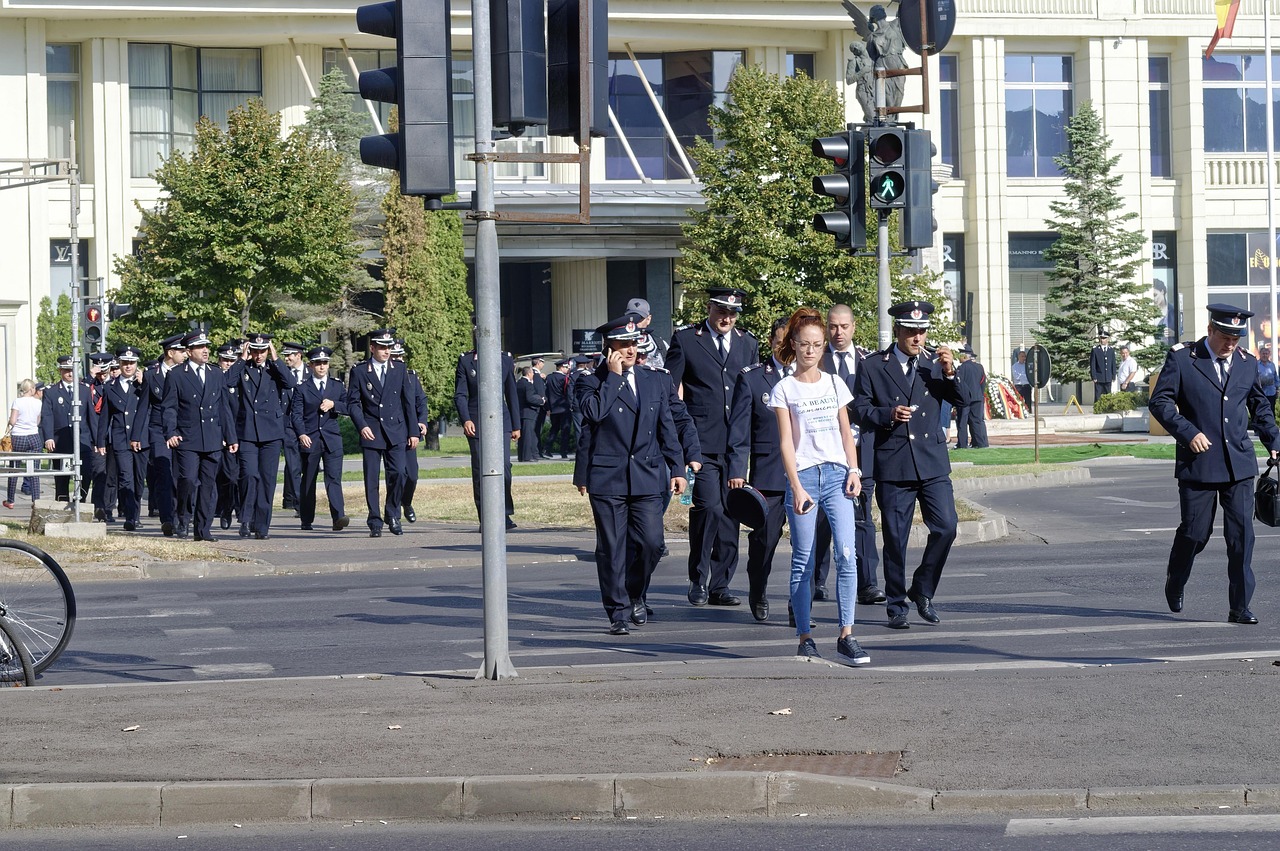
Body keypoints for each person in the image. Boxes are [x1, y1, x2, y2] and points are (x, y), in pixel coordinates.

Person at [1149, 303, 1280, 625]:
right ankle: (1176, 578)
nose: (1230, 343)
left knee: (1241, 538)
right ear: (1210, 330)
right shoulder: (1183, 359)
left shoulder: (1247, 364)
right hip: (1199, 464)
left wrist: (1274, 441)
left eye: (1236, 337)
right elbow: (1160, 401)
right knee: (1195, 533)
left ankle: (1240, 606)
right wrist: (1187, 432)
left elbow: (1259, 406)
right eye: (1225, 336)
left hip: (1239, 465)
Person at [853, 301, 971, 630]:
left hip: (932, 463)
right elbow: (859, 408)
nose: (917, 337)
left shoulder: (935, 363)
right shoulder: (875, 365)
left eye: (922, 331)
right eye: (911, 332)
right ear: (898, 331)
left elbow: (964, 401)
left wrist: (951, 372)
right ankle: (895, 605)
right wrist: (886, 415)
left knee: (947, 527)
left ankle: (922, 588)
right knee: (895, 538)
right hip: (894, 464)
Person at [769, 307, 869, 665]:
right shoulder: (784, 389)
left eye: (817, 345)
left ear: (823, 346)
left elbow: (846, 432)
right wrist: (795, 486)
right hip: (806, 478)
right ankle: (805, 636)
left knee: (845, 554)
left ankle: (847, 634)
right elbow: (785, 442)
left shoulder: (834, 384)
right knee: (804, 559)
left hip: (838, 477)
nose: (810, 351)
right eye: (804, 344)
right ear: (793, 345)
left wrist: (854, 470)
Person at [576, 315, 685, 636]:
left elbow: (667, 425)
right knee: (612, 548)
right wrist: (612, 378)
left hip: (648, 475)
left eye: (632, 343)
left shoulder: (654, 380)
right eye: (622, 345)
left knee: (651, 544)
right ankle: (618, 611)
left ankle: (636, 592)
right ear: (608, 348)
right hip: (608, 478)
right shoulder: (590, 380)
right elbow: (594, 412)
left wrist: (677, 467)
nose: (628, 350)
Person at [666, 286, 759, 607]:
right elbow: (669, 392)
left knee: (732, 512)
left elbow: (752, 395)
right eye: (721, 311)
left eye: (733, 313)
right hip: (701, 444)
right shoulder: (687, 340)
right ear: (709, 308)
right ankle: (698, 577)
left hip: (736, 445)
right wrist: (682, 438)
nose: (727, 318)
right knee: (708, 509)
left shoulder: (748, 344)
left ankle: (721, 584)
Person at [814, 304, 882, 607]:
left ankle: (868, 583)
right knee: (821, 520)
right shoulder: (815, 359)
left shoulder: (869, 361)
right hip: (825, 452)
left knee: (862, 517)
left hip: (861, 451)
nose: (838, 333)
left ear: (854, 327)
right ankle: (816, 580)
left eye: (844, 326)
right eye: (833, 326)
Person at [728, 317, 790, 623]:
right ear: (770, 342)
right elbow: (739, 430)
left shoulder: (812, 376)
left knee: (810, 544)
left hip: (806, 475)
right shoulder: (752, 378)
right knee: (765, 541)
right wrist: (738, 469)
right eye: (780, 341)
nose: (786, 347)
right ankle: (758, 588)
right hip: (769, 474)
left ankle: (799, 605)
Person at [161, 330, 238, 541]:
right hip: (187, 437)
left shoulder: (216, 374)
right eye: (199, 347)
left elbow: (224, 408)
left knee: (208, 484)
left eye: (206, 347)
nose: (205, 351)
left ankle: (203, 529)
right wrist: (171, 432)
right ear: (188, 351)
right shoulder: (177, 374)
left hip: (212, 438)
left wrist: (231, 438)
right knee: (187, 480)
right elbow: (169, 407)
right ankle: (184, 518)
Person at [348, 328, 419, 537]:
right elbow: (352, 403)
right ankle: (375, 520)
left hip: (396, 430)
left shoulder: (399, 368)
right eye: (381, 347)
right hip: (372, 431)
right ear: (372, 348)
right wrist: (362, 425)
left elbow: (408, 402)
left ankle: (393, 513)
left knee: (398, 473)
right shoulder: (360, 371)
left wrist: (413, 432)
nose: (386, 351)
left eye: (388, 347)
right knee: (371, 479)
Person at [225, 334, 294, 540]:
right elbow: (227, 381)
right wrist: (241, 359)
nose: (258, 355)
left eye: (262, 351)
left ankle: (262, 525)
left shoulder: (274, 368)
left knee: (267, 480)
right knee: (248, 475)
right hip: (247, 432)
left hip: (271, 433)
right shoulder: (243, 368)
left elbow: (290, 383)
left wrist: (276, 358)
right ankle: (246, 519)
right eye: (255, 351)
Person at [453, 334, 521, 530]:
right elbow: (460, 395)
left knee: (505, 467)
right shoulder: (466, 361)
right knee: (480, 469)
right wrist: (466, 419)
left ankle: (505, 513)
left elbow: (511, 393)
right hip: (476, 421)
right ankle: (486, 517)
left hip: (502, 421)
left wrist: (516, 425)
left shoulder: (505, 359)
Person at [290, 346, 350, 532]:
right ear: (311, 365)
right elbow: (296, 415)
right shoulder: (302, 388)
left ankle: (338, 516)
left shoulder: (337, 385)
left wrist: (334, 405)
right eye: (318, 363)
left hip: (331, 439)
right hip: (311, 438)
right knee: (308, 480)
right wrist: (301, 434)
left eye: (325, 363)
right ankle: (306, 518)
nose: (322, 367)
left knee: (333, 478)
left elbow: (350, 406)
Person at [96, 346, 150, 531]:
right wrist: (100, 441)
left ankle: (135, 513)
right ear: (119, 364)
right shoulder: (110, 386)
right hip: (121, 438)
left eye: (132, 363)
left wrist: (145, 383)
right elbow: (105, 415)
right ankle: (130, 516)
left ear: (137, 365)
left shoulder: (143, 383)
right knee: (125, 477)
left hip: (142, 438)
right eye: (125, 363)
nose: (128, 367)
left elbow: (157, 400)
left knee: (138, 479)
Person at [143, 335, 187, 535]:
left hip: (181, 430)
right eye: (181, 351)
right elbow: (144, 406)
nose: (185, 354)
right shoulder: (152, 375)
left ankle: (183, 516)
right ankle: (167, 519)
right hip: (158, 431)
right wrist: (137, 436)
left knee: (183, 476)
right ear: (171, 353)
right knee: (164, 475)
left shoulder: (185, 373)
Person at [40, 355, 97, 503]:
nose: (70, 374)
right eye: (66, 371)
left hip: (82, 439)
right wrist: (48, 437)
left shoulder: (84, 390)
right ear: (60, 371)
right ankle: (62, 504)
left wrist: (96, 440)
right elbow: (47, 416)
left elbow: (91, 415)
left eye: (72, 370)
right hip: (61, 440)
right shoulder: (51, 392)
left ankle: (81, 501)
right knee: (61, 477)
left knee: (85, 473)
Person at [390, 338, 428, 522]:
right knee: (397, 473)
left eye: (400, 356)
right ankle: (394, 511)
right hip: (394, 431)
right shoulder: (387, 377)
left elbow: (421, 401)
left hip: (411, 430)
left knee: (412, 475)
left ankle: (406, 502)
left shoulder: (411, 376)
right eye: (394, 356)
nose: (398, 360)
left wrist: (422, 422)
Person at [214, 342, 241, 531]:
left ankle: (233, 509)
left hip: (239, 436)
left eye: (233, 360)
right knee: (218, 477)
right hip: (217, 434)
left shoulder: (241, 380)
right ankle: (220, 509)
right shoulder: (214, 378)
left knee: (235, 477)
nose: (228, 364)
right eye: (225, 360)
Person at [5, 379, 43, 509]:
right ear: (32, 389)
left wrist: (11, 422)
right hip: (33, 435)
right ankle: (36, 501)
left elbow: (13, 420)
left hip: (19, 436)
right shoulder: (38, 403)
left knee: (14, 468)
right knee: (34, 470)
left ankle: (10, 500)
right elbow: (38, 421)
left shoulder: (18, 401)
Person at [279, 341, 307, 515]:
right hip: (287, 426)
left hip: (308, 426)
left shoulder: (310, 374)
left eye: (290, 355)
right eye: (285, 355)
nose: (287, 358)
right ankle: (299, 504)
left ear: (299, 355)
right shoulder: (281, 375)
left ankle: (305, 500)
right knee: (293, 466)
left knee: (309, 466)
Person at [955, 347, 989, 449]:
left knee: (962, 422)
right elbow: (983, 382)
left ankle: (962, 444)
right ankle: (980, 442)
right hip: (978, 397)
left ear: (964, 356)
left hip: (965, 399)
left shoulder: (961, 368)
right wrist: (980, 394)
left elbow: (959, 384)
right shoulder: (979, 367)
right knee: (978, 421)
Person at [625, 297, 669, 369]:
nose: (635, 322)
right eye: (631, 317)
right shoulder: (617, 344)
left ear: (648, 319)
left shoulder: (660, 345)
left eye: (640, 318)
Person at [545, 358, 573, 458]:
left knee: (554, 429)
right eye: (566, 367)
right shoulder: (565, 378)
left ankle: (547, 448)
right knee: (565, 430)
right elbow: (568, 393)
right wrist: (571, 405)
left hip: (553, 408)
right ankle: (563, 452)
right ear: (561, 368)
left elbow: (547, 393)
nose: (567, 369)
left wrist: (548, 407)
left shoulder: (549, 377)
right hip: (564, 407)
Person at [516, 365, 543, 462]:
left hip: (521, 412)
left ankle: (522, 456)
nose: (533, 375)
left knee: (522, 436)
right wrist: (541, 401)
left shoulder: (518, 383)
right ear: (529, 373)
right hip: (529, 412)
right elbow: (530, 398)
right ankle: (528, 456)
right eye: (532, 373)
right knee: (528, 435)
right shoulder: (528, 385)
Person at [531, 356, 550, 458]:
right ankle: (536, 452)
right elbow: (541, 392)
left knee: (537, 430)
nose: (543, 364)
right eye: (542, 362)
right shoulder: (537, 375)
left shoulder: (536, 375)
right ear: (538, 363)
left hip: (537, 407)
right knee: (537, 430)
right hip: (539, 407)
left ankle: (537, 452)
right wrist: (546, 407)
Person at [1091, 332, 1117, 400]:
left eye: (1104, 338)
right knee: (1098, 396)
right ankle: (1097, 410)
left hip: (1108, 377)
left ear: (1108, 339)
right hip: (1099, 378)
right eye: (1101, 338)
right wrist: (1094, 376)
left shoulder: (1111, 350)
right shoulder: (1095, 350)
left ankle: (1107, 410)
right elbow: (1093, 364)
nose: (1102, 340)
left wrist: (1113, 375)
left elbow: (1113, 363)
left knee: (1108, 396)